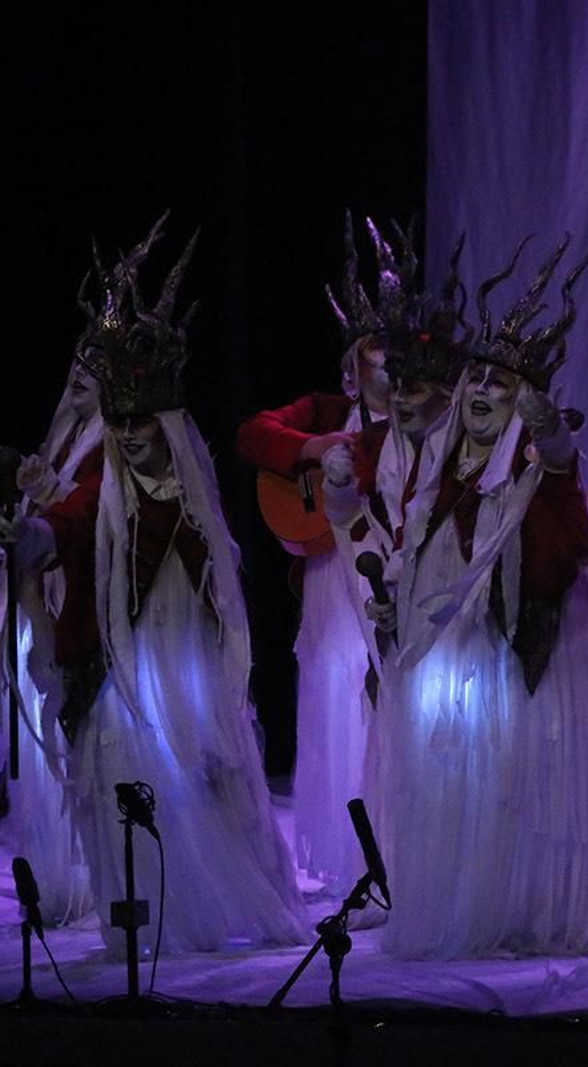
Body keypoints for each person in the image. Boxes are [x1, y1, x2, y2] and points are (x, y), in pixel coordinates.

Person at [329, 235, 588, 959]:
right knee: (456, 780)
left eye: (499, 386)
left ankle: (522, 907)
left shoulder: (536, 467)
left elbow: (563, 470)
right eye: (476, 378)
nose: (480, 392)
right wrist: (397, 603)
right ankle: (462, 901)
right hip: (451, 656)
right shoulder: (437, 471)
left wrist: (547, 429)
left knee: (515, 782)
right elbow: (417, 549)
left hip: (520, 652)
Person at [2, 217, 308, 954]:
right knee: (123, 776)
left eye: (143, 421)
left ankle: (199, 912)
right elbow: (71, 521)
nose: (132, 434)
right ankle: (144, 917)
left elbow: (219, 583)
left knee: (195, 781)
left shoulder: (194, 491)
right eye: (122, 423)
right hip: (119, 665)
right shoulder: (103, 483)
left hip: (187, 667)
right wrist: (33, 536)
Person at [235, 213, 394, 891]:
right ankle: (346, 849)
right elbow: (251, 433)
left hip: (390, 570)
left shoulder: (428, 423)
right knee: (335, 687)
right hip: (331, 572)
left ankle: (394, 838)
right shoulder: (328, 412)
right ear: (353, 367)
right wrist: (312, 447)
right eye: (376, 351)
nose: (388, 363)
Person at [2, 359, 104, 925]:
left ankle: (100, 874)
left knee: (84, 740)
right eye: (78, 362)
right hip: (46, 591)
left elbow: (90, 509)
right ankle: (62, 874)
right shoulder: (65, 439)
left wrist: (44, 503)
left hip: (85, 601)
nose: (79, 372)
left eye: (96, 365)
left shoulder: (115, 442)